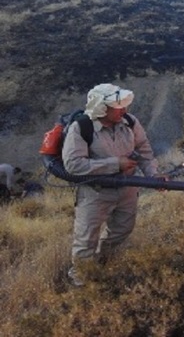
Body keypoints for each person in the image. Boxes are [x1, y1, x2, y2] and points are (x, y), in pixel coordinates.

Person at [62, 83, 165, 286]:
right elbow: (74, 165)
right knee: (86, 241)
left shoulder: (130, 122)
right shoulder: (82, 128)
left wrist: (153, 175)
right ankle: (81, 283)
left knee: (122, 230)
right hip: (95, 193)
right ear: (101, 107)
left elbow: (144, 150)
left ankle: (101, 264)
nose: (124, 110)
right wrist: (115, 164)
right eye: (118, 107)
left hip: (127, 189)